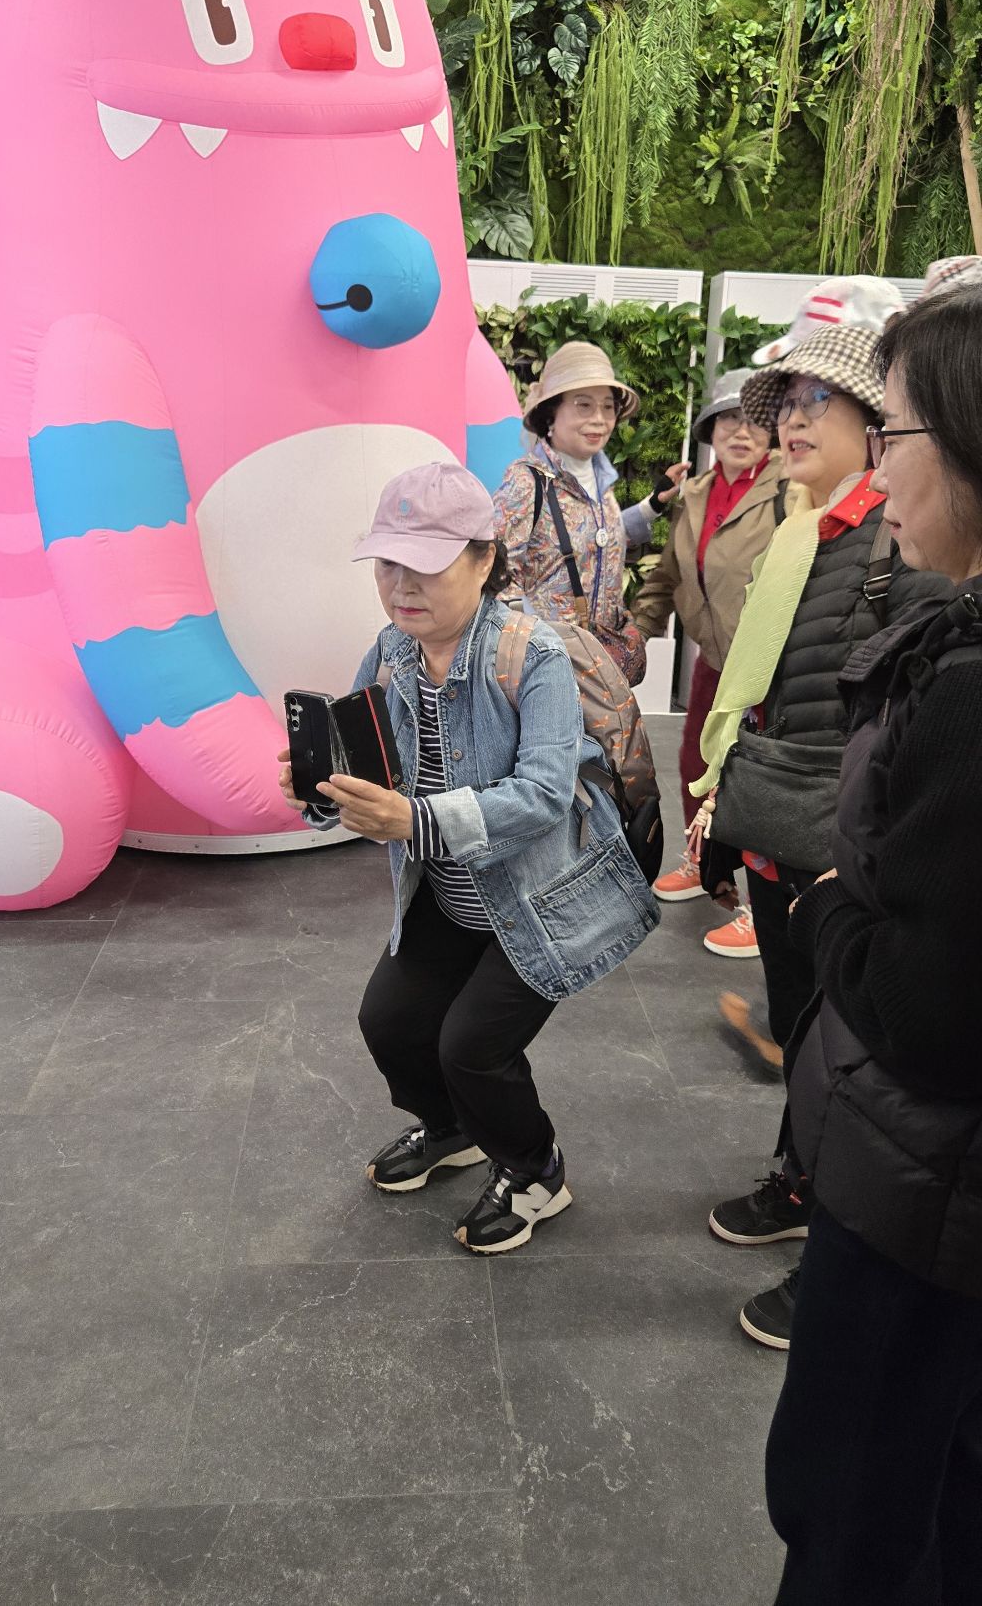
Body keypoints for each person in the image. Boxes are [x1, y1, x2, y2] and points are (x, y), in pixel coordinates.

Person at [277, 460, 659, 1255]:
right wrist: (319, 792)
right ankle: (452, 1129)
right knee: (388, 1021)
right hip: (448, 896)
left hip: (540, 903)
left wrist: (414, 818)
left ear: (485, 560)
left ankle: (535, 1169)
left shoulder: (532, 654)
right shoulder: (391, 652)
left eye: (425, 563)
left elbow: (545, 793)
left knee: (472, 1047)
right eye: (388, 563)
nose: (401, 585)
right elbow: (366, 768)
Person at [765, 284, 982, 1605]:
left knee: (857, 1513)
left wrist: (832, 896)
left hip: (924, 1192)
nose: (880, 466)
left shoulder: (963, 686)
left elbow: (926, 1007)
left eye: (889, 430)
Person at [690, 280, 948, 1344]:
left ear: (881, 426)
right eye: (784, 403)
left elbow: (892, 715)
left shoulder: (901, 538)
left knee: (840, 1047)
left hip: (838, 836)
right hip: (779, 816)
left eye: (817, 403)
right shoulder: (799, 528)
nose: (791, 421)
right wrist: (727, 793)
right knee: (799, 1020)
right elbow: (771, 687)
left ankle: (832, 1229)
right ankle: (800, 1178)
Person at [631, 368, 790, 964]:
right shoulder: (695, 494)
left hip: (770, 666)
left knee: (756, 782)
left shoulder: (791, 489)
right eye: (728, 420)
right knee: (696, 764)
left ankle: (763, 907)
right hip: (715, 659)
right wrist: (633, 638)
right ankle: (704, 864)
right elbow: (669, 575)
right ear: (709, 430)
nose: (740, 431)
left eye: (754, 421)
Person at [492, 340, 688, 684]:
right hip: (547, 672)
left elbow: (597, 540)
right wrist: (525, 651)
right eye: (583, 405)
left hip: (600, 667)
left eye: (608, 407)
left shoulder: (601, 481)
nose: (599, 419)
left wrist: (652, 505)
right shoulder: (528, 482)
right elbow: (493, 574)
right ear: (551, 413)